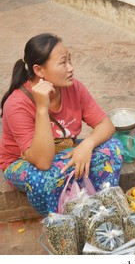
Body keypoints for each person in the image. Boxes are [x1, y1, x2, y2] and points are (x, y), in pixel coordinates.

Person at [0, 33, 124, 215]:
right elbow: (42, 162)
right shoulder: (17, 103)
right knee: (46, 178)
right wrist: (42, 109)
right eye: (63, 63)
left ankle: (99, 209)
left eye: (70, 60)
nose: (71, 68)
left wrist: (87, 145)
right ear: (39, 70)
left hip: (64, 153)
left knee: (113, 147)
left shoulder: (74, 87)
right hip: (26, 163)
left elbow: (106, 125)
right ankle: (62, 221)